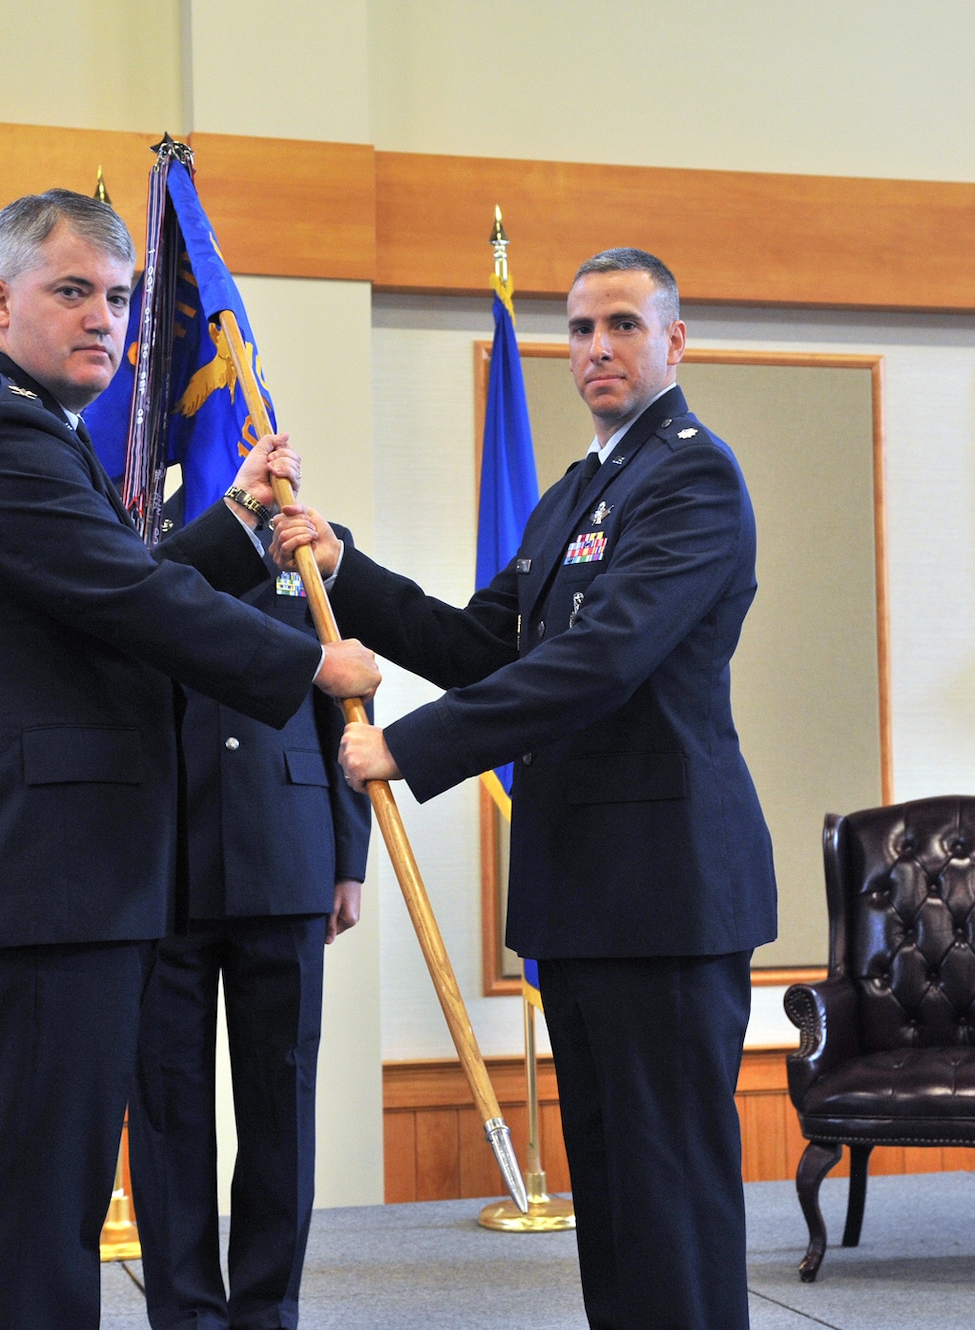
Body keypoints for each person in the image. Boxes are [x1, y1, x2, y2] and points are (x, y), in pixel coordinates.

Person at [0, 188, 379, 1330]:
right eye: (71, 292)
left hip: (58, 886)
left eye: (118, 297)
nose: (102, 320)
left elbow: (113, 586)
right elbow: (133, 598)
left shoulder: (25, 431)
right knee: (27, 1235)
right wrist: (315, 670)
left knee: (43, 1220)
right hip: (38, 892)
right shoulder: (1, 437)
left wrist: (235, 515)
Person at [285, 248, 776, 1330]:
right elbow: (478, 641)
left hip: (667, 890)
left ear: (673, 340)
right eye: (580, 328)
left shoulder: (693, 476)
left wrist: (408, 749)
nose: (596, 348)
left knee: (667, 1192)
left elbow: (600, 661)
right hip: (588, 889)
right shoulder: (575, 492)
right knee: (609, 1189)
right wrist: (344, 560)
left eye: (622, 325)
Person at [129, 530, 372, 1330]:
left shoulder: (308, 557)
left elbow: (347, 702)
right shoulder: (147, 551)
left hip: (287, 848)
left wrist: (348, 858)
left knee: (282, 1104)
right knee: (168, 1109)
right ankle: (187, 1314)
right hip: (169, 853)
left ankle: (267, 1310)